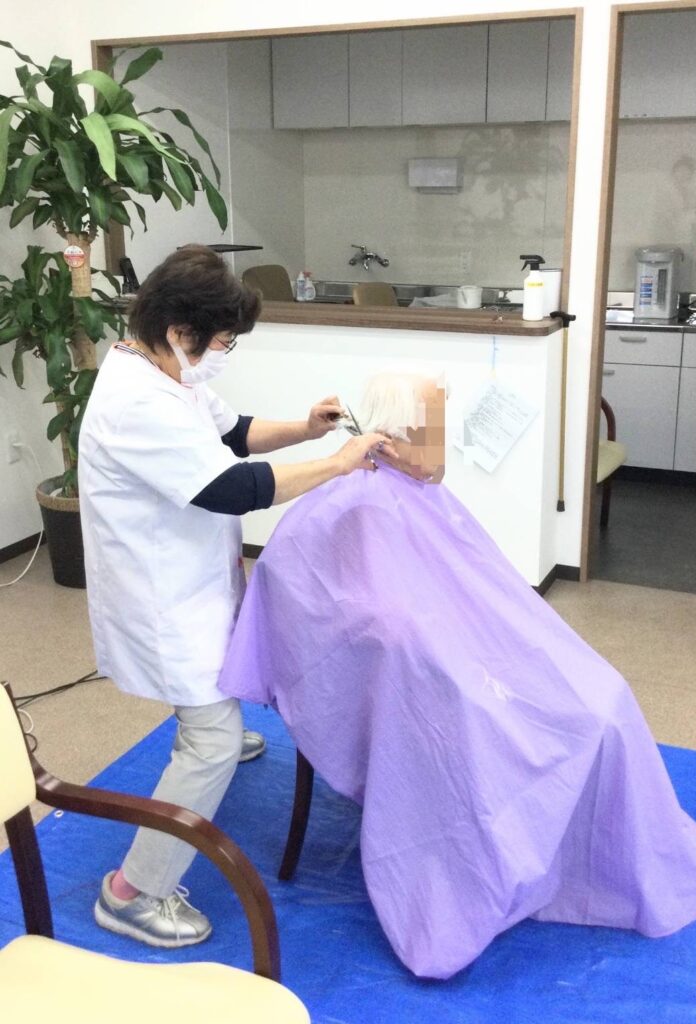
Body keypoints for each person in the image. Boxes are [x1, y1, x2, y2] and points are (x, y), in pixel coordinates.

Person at [218, 372, 696, 979]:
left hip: (476, 647)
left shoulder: (418, 493)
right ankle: (501, 857)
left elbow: (481, 589)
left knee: (606, 701)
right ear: (391, 438)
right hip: (437, 669)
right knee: (512, 726)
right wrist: (432, 650)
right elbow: (341, 610)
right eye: (433, 432)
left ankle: (595, 850)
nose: (444, 448)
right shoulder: (348, 504)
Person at [78, 246, 395, 948]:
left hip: (191, 574)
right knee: (213, 741)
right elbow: (232, 486)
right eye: (222, 341)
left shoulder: (166, 371)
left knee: (215, 690)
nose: (224, 353)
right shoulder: (136, 401)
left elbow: (234, 433)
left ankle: (207, 722)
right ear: (180, 332)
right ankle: (131, 893)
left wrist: (306, 429)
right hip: (158, 596)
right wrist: (338, 463)